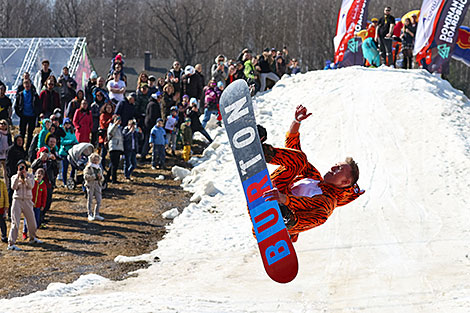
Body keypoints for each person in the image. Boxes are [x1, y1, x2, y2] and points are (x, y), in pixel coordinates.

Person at [261, 105, 364, 242]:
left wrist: (284, 200)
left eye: (339, 169)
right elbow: (293, 152)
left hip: (283, 214)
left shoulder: (328, 200)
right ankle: (262, 152)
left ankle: (285, 221)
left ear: (344, 182)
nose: (333, 167)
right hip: (270, 193)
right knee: (300, 159)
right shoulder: (314, 177)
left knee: (322, 215)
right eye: (336, 165)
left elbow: (307, 204)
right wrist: (296, 123)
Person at [8, 160, 43, 251]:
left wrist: (26, 177)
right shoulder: (14, 177)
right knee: (15, 222)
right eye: (20, 167)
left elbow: (31, 186)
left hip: (27, 200)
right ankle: (11, 243)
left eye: (23, 167)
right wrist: (18, 176)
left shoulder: (31, 176)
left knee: (32, 220)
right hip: (17, 200)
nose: (22, 169)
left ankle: (32, 238)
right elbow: (13, 187)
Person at [14, 79, 40, 151]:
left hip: (32, 116)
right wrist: (20, 114)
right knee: (22, 133)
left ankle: (28, 149)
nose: (27, 85)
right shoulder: (20, 94)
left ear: (30, 84)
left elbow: (38, 105)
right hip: (23, 116)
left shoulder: (34, 94)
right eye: (25, 83)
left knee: (30, 133)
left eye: (28, 83)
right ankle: (20, 149)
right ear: (23, 85)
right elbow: (16, 106)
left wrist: (36, 113)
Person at [22, 168, 46, 240]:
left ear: (43, 176)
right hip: (30, 204)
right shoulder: (32, 182)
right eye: (38, 173)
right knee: (27, 219)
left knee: (36, 220)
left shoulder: (43, 185)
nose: (39, 175)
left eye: (41, 174)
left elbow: (44, 196)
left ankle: (33, 233)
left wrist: (43, 205)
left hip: (38, 206)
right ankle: (24, 232)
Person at [142, 92, 163, 162]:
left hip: (150, 125)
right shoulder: (153, 105)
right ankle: (143, 155)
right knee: (148, 140)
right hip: (150, 126)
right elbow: (151, 116)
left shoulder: (153, 104)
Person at [84, 153, 105, 221]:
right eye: (94, 160)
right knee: (90, 199)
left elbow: (102, 178)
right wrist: (93, 176)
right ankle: (89, 214)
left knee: (99, 200)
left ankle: (96, 214)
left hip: (97, 184)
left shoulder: (99, 168)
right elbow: (85, 176)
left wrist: (100, 177)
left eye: (97, 160)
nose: (95, 161)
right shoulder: (88, 167)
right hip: (90, 184)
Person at [59, 118, 78, 186]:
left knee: (74, 167)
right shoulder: (62, 131)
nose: (67, 125)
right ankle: (64, 183)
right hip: (64, 152)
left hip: (72, 152)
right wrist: (70, 142)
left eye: (69, 123)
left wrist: (77, 143)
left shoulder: (72, 131)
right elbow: (62, 141)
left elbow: (75, 139)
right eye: (66, 124)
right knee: (65, 168)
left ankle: (71, 180)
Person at [105, 115, 124, 183]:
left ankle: (107, 177)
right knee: (114, 164)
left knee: (115, 163)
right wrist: (115, 124)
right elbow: (110, 133)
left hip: (119, 147)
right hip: (113, 146)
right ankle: (114, 179)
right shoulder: (111, 126)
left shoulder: (120, 128)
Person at [98, 102, 114, 167]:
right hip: (103, 136)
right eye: (107, 108)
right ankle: (101, 165)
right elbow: (105, 124)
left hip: (110, 136)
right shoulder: (103, 115)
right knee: (103, 153)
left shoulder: (112, 115)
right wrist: (111, 119)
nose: (109, 109)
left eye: (110, 108)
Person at [0, 120, 12, 186]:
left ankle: (6, 184)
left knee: (6, 171)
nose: (2, 125)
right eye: (1, 124)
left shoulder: (8, 134)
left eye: (4, 124)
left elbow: (10, 144)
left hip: (5, 154)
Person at [0, 178, 8, 243]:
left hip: (1, 207)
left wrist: (6, 206)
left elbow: (6, 195)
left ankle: (4, 235)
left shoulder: (2, 183)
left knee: (2, 222)